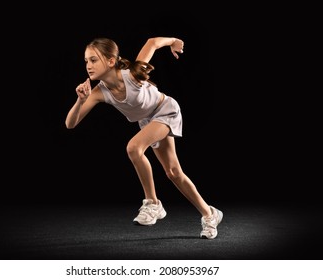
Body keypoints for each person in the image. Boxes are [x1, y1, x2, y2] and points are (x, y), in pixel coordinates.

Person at [65, 37, 223, 239]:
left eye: (94, 60)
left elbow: (153, 42)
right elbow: (70, 123)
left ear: (111, 61)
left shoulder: (132, 75)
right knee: (174, 173)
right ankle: (210, 214)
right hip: (149, 122)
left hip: (166, 111)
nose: (88, 66)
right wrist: (80, 101)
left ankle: (153, 203)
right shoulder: (98, 92)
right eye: (86, 61)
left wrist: (174, 41)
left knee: (134, 148)